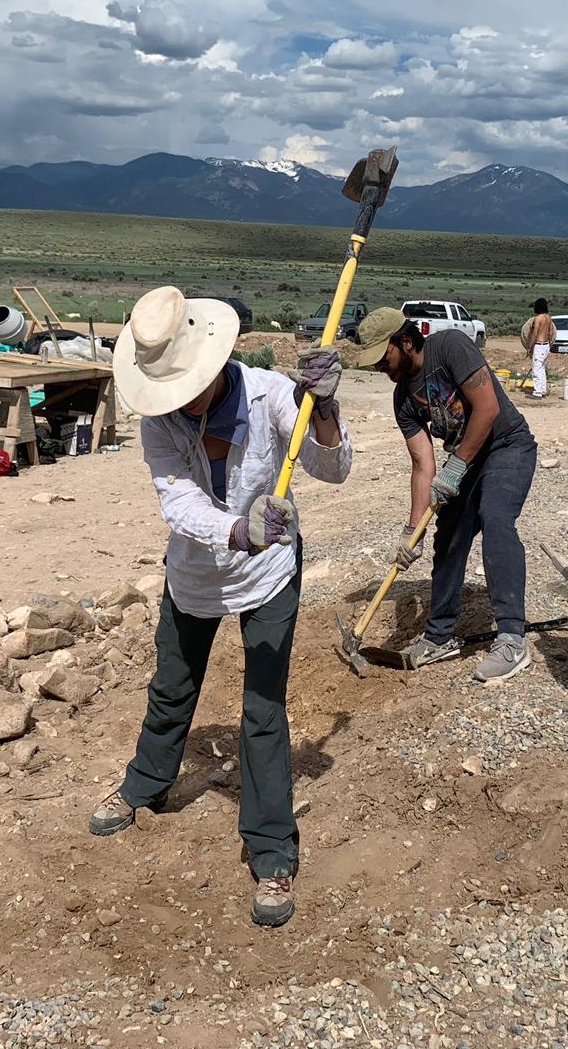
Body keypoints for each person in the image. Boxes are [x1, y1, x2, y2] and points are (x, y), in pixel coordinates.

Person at [89, 286, 352, 928]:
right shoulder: (159, 421)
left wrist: (324, 409)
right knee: (172, 687)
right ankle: (144, 785)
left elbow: (333, 467)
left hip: (267, 573)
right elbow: (176, 501)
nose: (177, 402)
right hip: (198, 572)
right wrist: (235, 528)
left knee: (263, 710)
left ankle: (271, 850)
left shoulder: (268, 395)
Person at [351, 307, 538, 681]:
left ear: (405, 342)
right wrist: (411, 530)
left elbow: (487, 409)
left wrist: (457, 464)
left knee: (496, 519)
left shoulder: (450, 346)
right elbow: (422, 465)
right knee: (448, 538)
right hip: (465, 462)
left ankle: (512, 640)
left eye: (382, 358)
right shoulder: (402, 399)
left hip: (506, 447)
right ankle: (439, 637)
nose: (379, 369)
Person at [528, 298, 554, 399]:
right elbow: (551, 332)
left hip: (539, 345)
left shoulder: (538, 318)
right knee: (542, 368)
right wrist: (549, 343)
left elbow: (535, 334)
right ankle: (542, 389)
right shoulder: (548, 318)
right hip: (546, 345)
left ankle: (537, 392)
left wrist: (530, 347)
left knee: (537, 368)